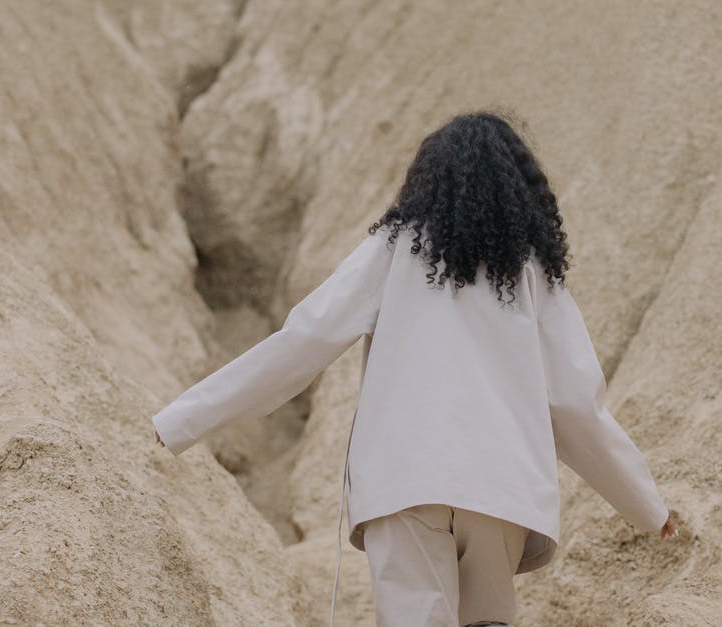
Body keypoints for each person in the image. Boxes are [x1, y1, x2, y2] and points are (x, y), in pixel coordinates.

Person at [152, 109, 677, 627]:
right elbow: (577, 405)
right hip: (502, 490)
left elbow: (304, 340)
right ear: (520, 192)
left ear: (428, 182)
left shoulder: (393, 249)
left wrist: (181, 421)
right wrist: (648, 508)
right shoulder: (534, 274)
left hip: (406, 482)